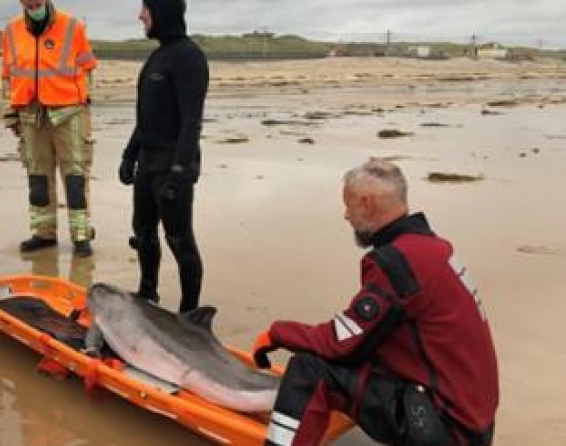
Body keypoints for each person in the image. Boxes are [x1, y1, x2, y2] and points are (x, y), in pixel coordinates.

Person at [251, 160, 498, 446]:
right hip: (473, 420)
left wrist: (276, 333)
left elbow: (341, 341)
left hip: (445, 428)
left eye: (348, 205)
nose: (346, 216)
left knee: (308, 370)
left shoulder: (398, 261)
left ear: (366, 203)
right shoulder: (436, 248)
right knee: (364, 351)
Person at [118, 0, 208, 313]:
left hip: (172, 168)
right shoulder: (157, 56)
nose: (140, 15)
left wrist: (180, 171)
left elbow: (191, 121)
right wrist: (130, 155)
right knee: (143, 234)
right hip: (148, 164)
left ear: (162, 11)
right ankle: (147, 294)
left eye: (146, 8)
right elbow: (147, 119)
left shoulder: (189, 57)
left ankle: (190, 315)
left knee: (179, 241)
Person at [1, 0, 98, 257]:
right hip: (31, 114)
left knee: (75, 175)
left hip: (70, 112)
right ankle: (43, 234)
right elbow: (8, 75)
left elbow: (88, 68)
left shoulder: (73, 27)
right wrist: (11, 115)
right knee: (37, 175)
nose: (32, 3)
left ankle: (80, 235)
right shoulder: (10, 31)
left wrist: (82, 102)